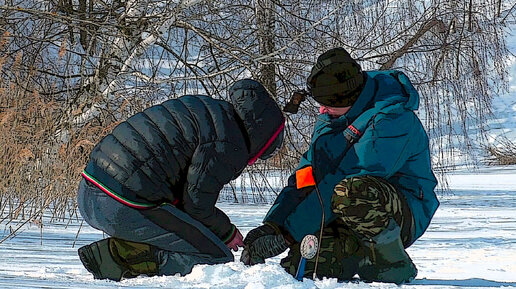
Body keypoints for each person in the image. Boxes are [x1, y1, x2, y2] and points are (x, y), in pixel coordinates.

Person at [241, 48, 439, 284]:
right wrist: (274, 223)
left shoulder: (392, 119)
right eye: (320, 103)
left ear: (350, 99)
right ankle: (356, 254)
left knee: (352, 190)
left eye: (327, 104)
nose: (322, 111)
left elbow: (346, 178)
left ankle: (391, 262)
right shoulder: (333, 114)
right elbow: (308, 174)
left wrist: (287, 234)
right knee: (303, 268)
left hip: (398, 211)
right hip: (341, 209)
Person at [77, 79, 285, 281]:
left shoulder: (208, 111)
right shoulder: (229, 142)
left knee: (194, 237)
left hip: (89, 190)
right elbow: (196, 205)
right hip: (120, 204)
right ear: (262, 137)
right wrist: (227, 232)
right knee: (214, 257)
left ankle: (121, 253)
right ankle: (114, 257)